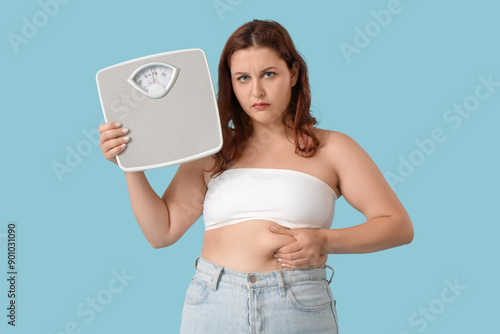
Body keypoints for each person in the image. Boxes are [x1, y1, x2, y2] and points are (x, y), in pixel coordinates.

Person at [98, 19, 414, 334]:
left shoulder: (333, 148)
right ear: (231, 84)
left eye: (269, 74)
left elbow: (397, 225)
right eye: (243, 78)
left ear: (293, 73)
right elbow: (161, 233)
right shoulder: (214, 151)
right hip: (213, 303)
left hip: (297, 303)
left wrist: (325, 241)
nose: (257, 91)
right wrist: (131, 163)